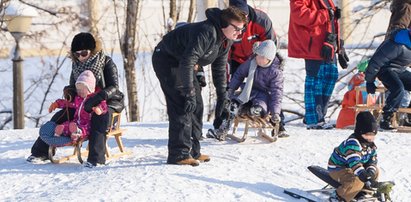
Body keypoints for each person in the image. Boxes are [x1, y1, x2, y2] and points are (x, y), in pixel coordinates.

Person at [152, 7, 247, 166]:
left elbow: (219, 68)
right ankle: (179, 154)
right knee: (183, 104)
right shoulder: (207, 32)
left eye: (242, 30)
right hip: (167, 59)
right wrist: (188, 92)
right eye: (236, 29)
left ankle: (193, 150)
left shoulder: (226, 39)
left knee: (197, 105)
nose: (239, 33)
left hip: (185, 64)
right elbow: (188, 61)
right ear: (224, 24)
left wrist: (222, 96)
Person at [27, 32, 125, 167]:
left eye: (84, 53)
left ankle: (96, 159)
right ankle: (40, 152)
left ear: (92, 50)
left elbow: (114, 87)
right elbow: (74, 86)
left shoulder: (106, 62)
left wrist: (98, 97)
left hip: (107, 102)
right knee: (60, 115)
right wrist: (70, 92)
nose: (80, 57)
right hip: (82, 103)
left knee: (98, 119)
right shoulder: (76, 65)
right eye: (77, 54)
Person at [209, 0, 288, 138]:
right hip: (237, 59)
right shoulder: (228, 22)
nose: (242, 20)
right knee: (229, 90)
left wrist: (266, 60)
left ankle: (278, 124)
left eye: (244, 16)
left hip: (260, 58)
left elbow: (270, 45)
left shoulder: (261, 20)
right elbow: (224, 47)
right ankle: (220, 125)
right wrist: (229, 85)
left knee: (273, 90)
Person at [288, 0, 349, 129]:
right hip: (313, 45)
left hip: (327, 44)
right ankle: (314, 119)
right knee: (315, 80)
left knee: (331, 76)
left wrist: (339, 45)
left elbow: (330, 24)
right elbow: (299, 14)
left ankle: (318, 115)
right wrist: (325, 15)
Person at [213, 40, 284, 140]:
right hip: (249, 91)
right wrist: (231, 88)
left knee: (259, 107)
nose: (259, 59)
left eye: (262, 57)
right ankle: (223, 128)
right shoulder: (252, 62)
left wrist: (275, 112)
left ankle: (253, 110)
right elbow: (239, 74)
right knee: (233, 103)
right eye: (258, 55)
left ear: (269, 59)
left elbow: (277, 93)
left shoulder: (275, 72)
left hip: (264, 96)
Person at [365, 28, 411, 130]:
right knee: (398, 88)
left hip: (400, 70)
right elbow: (376, 61)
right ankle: (386, 119)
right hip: (385, 70)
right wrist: (370, 81)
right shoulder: (397, 44)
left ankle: (408, 117)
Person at [328, 111, 379, 202]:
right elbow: (354, 162)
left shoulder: (371, 145)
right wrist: (363, 174)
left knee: (376, 171)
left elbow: (372, 160)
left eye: (373, 135)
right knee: (356, 180)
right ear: (360, 132)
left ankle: (363, 191)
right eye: (367, 135)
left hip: (354, 168)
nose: (370, 138)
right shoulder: (353, 143)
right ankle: (339, 197)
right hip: (339, 168)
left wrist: (370, 171)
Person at [50, 70, 108, 143]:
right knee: (68, 125)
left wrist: (99, 109)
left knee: (84, 129)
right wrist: (57, 103)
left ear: (90, 89)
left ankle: (77, 134)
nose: (80, 91)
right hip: (76, 121)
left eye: (82, 89)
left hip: (87, 123)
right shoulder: (78, 99)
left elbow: (104, 104)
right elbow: (68, 103)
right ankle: (60, 131)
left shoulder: (94, 99)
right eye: (78, 89)